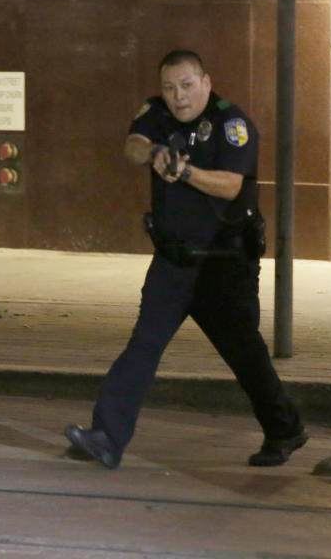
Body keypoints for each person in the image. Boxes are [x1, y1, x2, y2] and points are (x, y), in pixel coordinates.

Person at [64, 50, 306, 469]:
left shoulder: (232, 124)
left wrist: (185, 172)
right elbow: (133, 144)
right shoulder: (157, 113)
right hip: (175, 260)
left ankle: (285, 429)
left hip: (224, 264)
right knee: (143, 346)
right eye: (170, 87)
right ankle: (106, 436)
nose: (179, 97)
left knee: (246, 356)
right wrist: (153, 153)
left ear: (206, 83)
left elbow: (232, 186)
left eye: (187, 86)